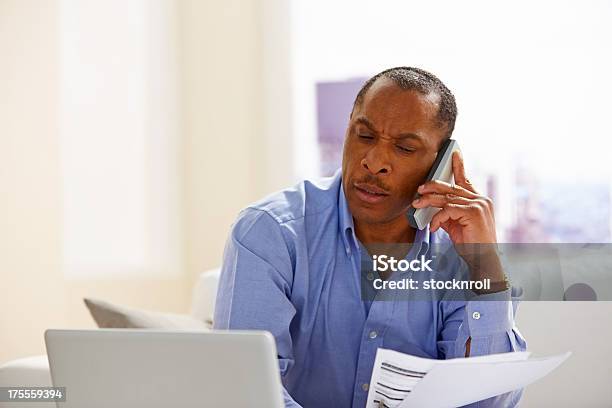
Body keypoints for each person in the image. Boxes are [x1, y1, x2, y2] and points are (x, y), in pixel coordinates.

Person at [213, 67, 526, 407]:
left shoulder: (462, 255)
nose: (374, 162)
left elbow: (487, 402)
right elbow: (246, 391)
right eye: (364, 136)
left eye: (405, 148)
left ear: (442, 164)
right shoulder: (269, 232)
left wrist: (485, 266)